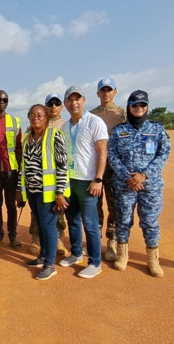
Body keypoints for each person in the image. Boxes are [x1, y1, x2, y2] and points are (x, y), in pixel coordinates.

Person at [107, 90, 171, 277]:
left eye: (142, 104)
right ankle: (122, 254)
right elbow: (112, 155)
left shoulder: (156, 129)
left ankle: (153, 259)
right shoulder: (119, 131)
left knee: (150, 222)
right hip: (124, 185)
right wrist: (127, 177)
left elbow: (163, 154)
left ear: (147, 106)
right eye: (134, 104)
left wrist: (144, 175)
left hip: (150, 186)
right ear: (129, 107)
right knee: (123, 220)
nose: (139, 108)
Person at [58, 86, 108, 278]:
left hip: (88, 181)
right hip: (69, 180)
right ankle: (76, 253)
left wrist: (98, 179)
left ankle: (95, 262)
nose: (74, 103)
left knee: (90, 223)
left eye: (77, 99)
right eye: (70, 100)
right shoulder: (64, 127)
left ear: (84, 100)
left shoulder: (95, 122)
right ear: (65, 103)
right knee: (72, 219)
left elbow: (102, 152)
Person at [19, 105, 70, 280]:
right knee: (40, 224)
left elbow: (62, 166)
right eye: (32, 115)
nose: (36, 118)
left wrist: (60, 194)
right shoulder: (27, 138)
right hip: (32, 190)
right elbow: (23, 166)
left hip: (49, 192)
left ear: (46, 118)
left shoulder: (55, 136)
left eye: (40, 115)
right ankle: (42, 256)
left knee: (48, 226)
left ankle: (50, 264)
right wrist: (20, 189)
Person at [89, 77, 127, 262]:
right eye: (102, 90)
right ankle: (95, 241)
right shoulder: (91, 115)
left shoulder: (123, 114)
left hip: (114, 167)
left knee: (114, 205)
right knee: (94, 205)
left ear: (115, 92)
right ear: (98, 93)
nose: (106, 93)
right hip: (95, 167)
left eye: (109, 90)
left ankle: (111, 241)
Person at [0, 90, 23, 251]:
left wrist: (21, 170)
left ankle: (13, 236)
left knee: (11, 205)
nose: (1, 102)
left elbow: (19, 147)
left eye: (4, 100)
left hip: (11, 170)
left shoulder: (15, 121)